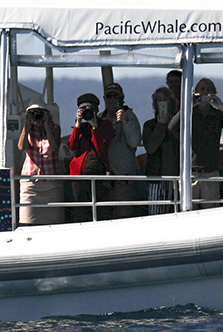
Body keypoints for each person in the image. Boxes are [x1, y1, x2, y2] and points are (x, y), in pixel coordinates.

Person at [169, 78, 223, 203]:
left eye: (208, 90)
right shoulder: (189, 114)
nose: (205, 92)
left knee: (210, 210)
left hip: (211, 172)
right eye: (202, 89)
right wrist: (188, 106)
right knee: (188, 209)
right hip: (190, 172)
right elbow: (172, 127)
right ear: (196, 92)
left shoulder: (217, 114)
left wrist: (222, 107)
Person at [68, 93, 113, 222]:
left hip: (97, 174)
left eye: (90, 109)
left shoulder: (105, 125)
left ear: (97, 110)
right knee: (81, 211)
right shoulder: (81, 128)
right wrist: (77, 124)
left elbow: (101, 149)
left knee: (100, 212)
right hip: (78, 175)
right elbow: (72, 146)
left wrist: (94, 127)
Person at [99, 83, 141, 219]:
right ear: (104, 98)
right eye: (109, 96)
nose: (112, 99)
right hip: (101, 179)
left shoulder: (130, 117)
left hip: (123, 180)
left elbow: (134, 142)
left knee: (123, 218)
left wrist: (125, 122)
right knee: (102, 219)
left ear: (122, 98)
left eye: (115, 96)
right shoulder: (98, 119)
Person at [17, 104, 64, 226]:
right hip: (31, 182)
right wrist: (26, 126)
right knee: (27, 220)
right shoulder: (27, 130)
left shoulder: (55, 128)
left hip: (51, 181)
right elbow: (22, 147)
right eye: (33, 113)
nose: (37, 116)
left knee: (55, 221)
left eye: (40, 113)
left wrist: (47, 127)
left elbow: (54, 147)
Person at [142, 86, 180, 214]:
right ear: (155, 104)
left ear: (172, 102)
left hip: (178, 178)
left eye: (165, 99)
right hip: (157, 178)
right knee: (156, 214)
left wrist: (171, 124)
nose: (162, 102)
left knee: (178, 213)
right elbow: (150, 148)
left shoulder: (180, 123)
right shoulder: (149, 125)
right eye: (159, 100)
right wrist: (160, 126)